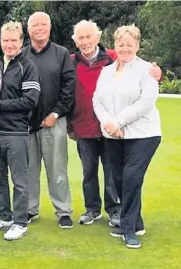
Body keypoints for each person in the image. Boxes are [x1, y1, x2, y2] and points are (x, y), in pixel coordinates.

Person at [69, 20, 162, 227]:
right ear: (76, 41)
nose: (85, 41)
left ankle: (115, 210)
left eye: (89, 36)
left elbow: (139, 68)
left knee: (113, 173)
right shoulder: (71, 62)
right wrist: (69, 124)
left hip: (115, 130)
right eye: (81, 38)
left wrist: (157, 73)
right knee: (89, 172)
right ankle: (92, 209)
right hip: (84, 126)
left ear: (98, 38)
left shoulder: (113, 56)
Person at [93, 25, 161, 249]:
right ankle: (137, 222)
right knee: (120, 180)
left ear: (137, 45)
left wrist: (118, 122)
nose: (125, 48)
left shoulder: (147, 70)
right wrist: (108, 124)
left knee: (131, 179)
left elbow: (145, 103)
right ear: (115, 45)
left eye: (129, 44)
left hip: (143, 135)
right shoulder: (106, 71)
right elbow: (97, 100)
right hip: (114, 135)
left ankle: (128, 229)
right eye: (121, 44)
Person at [0, 21, 40, 241]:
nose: (9, 44)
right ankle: (4, 217)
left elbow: (30, 100)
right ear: (0, 41)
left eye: (13, 40)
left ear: (21, 42)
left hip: (15, 132)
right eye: (5, 40)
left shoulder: (28, 66)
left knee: (20, 181)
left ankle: (20, 222)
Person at [22, 12, 76, 228]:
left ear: (50, 27)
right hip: (26, 124)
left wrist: (55, 113)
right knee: (28, 170)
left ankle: (63, 210)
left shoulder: (61, 54)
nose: (39, 28)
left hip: (54, 120)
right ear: (29, 30)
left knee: (57, 169)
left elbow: (68, 87)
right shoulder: (21, 54)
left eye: (43, 24)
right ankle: (29, 209)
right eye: (35, 25)